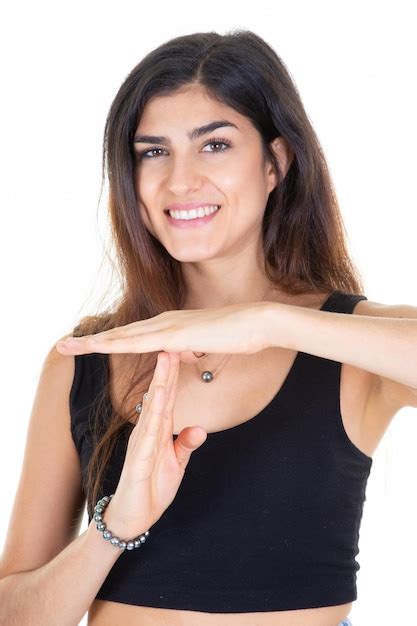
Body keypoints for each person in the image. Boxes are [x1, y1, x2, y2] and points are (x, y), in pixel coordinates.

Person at [1, 29, 416, 626]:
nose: (180, 180)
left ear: (276, 163)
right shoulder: (85, 358)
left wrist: (271, 322)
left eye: (214, 145)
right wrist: (113, 530)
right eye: (153, 151)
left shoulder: (350, 347)